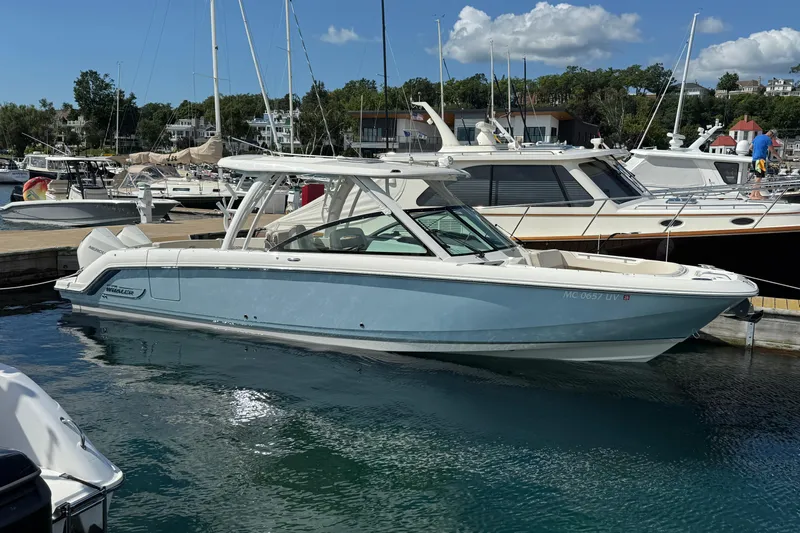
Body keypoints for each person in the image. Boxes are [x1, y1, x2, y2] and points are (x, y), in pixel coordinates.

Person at [750, 129, 782, 200]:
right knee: (759, 177)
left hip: (754, 159)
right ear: (772, 135)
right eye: (773, 137)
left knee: (758, 177)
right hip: (760, 159)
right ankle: (752, 195)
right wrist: (780, 159)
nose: (772, 139)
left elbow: (750, 147)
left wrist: (756, 152)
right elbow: (773, 151)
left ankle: (757, 194)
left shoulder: (757, 137)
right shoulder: (768, 139)